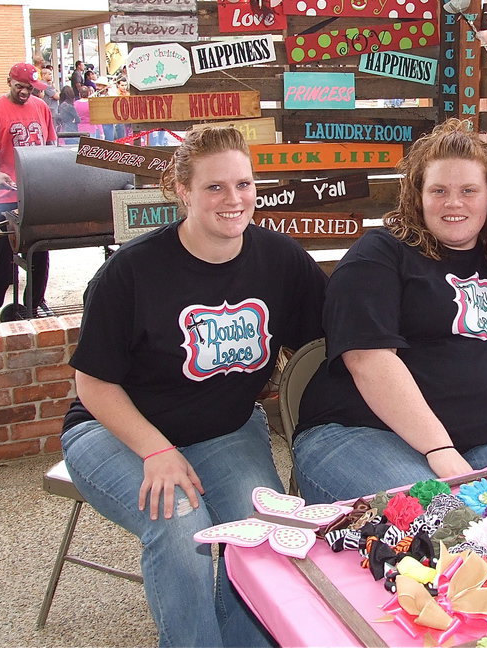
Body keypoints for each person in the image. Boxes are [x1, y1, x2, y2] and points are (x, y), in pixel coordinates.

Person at [61, 125, 323, 647]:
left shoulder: (280, 260)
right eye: (215, 187)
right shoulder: (131, 272)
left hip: (225, 429)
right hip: (116, 431)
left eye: (244, 184)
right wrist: (156, 450)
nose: (234, 199)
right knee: (180, 525)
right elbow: (93, 383)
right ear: (183, 190)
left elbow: (333, 337)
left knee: (265, 533)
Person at [293, 119, 487, 503]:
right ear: (417, 196)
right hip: (363, 432)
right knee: (440, 517)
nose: (454, 203)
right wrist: (439, 449)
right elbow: (368, 360)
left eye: (469, 190)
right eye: (439, 190)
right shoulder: (379, 255)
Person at [0, 63, 56, 324]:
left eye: (29, 88)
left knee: (39, 249)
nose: (24, 92)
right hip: (3, 193)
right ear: (8, 81)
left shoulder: (41, 107)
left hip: (34, 191)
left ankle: (36, 300)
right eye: (20, 86)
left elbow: (50, 144)